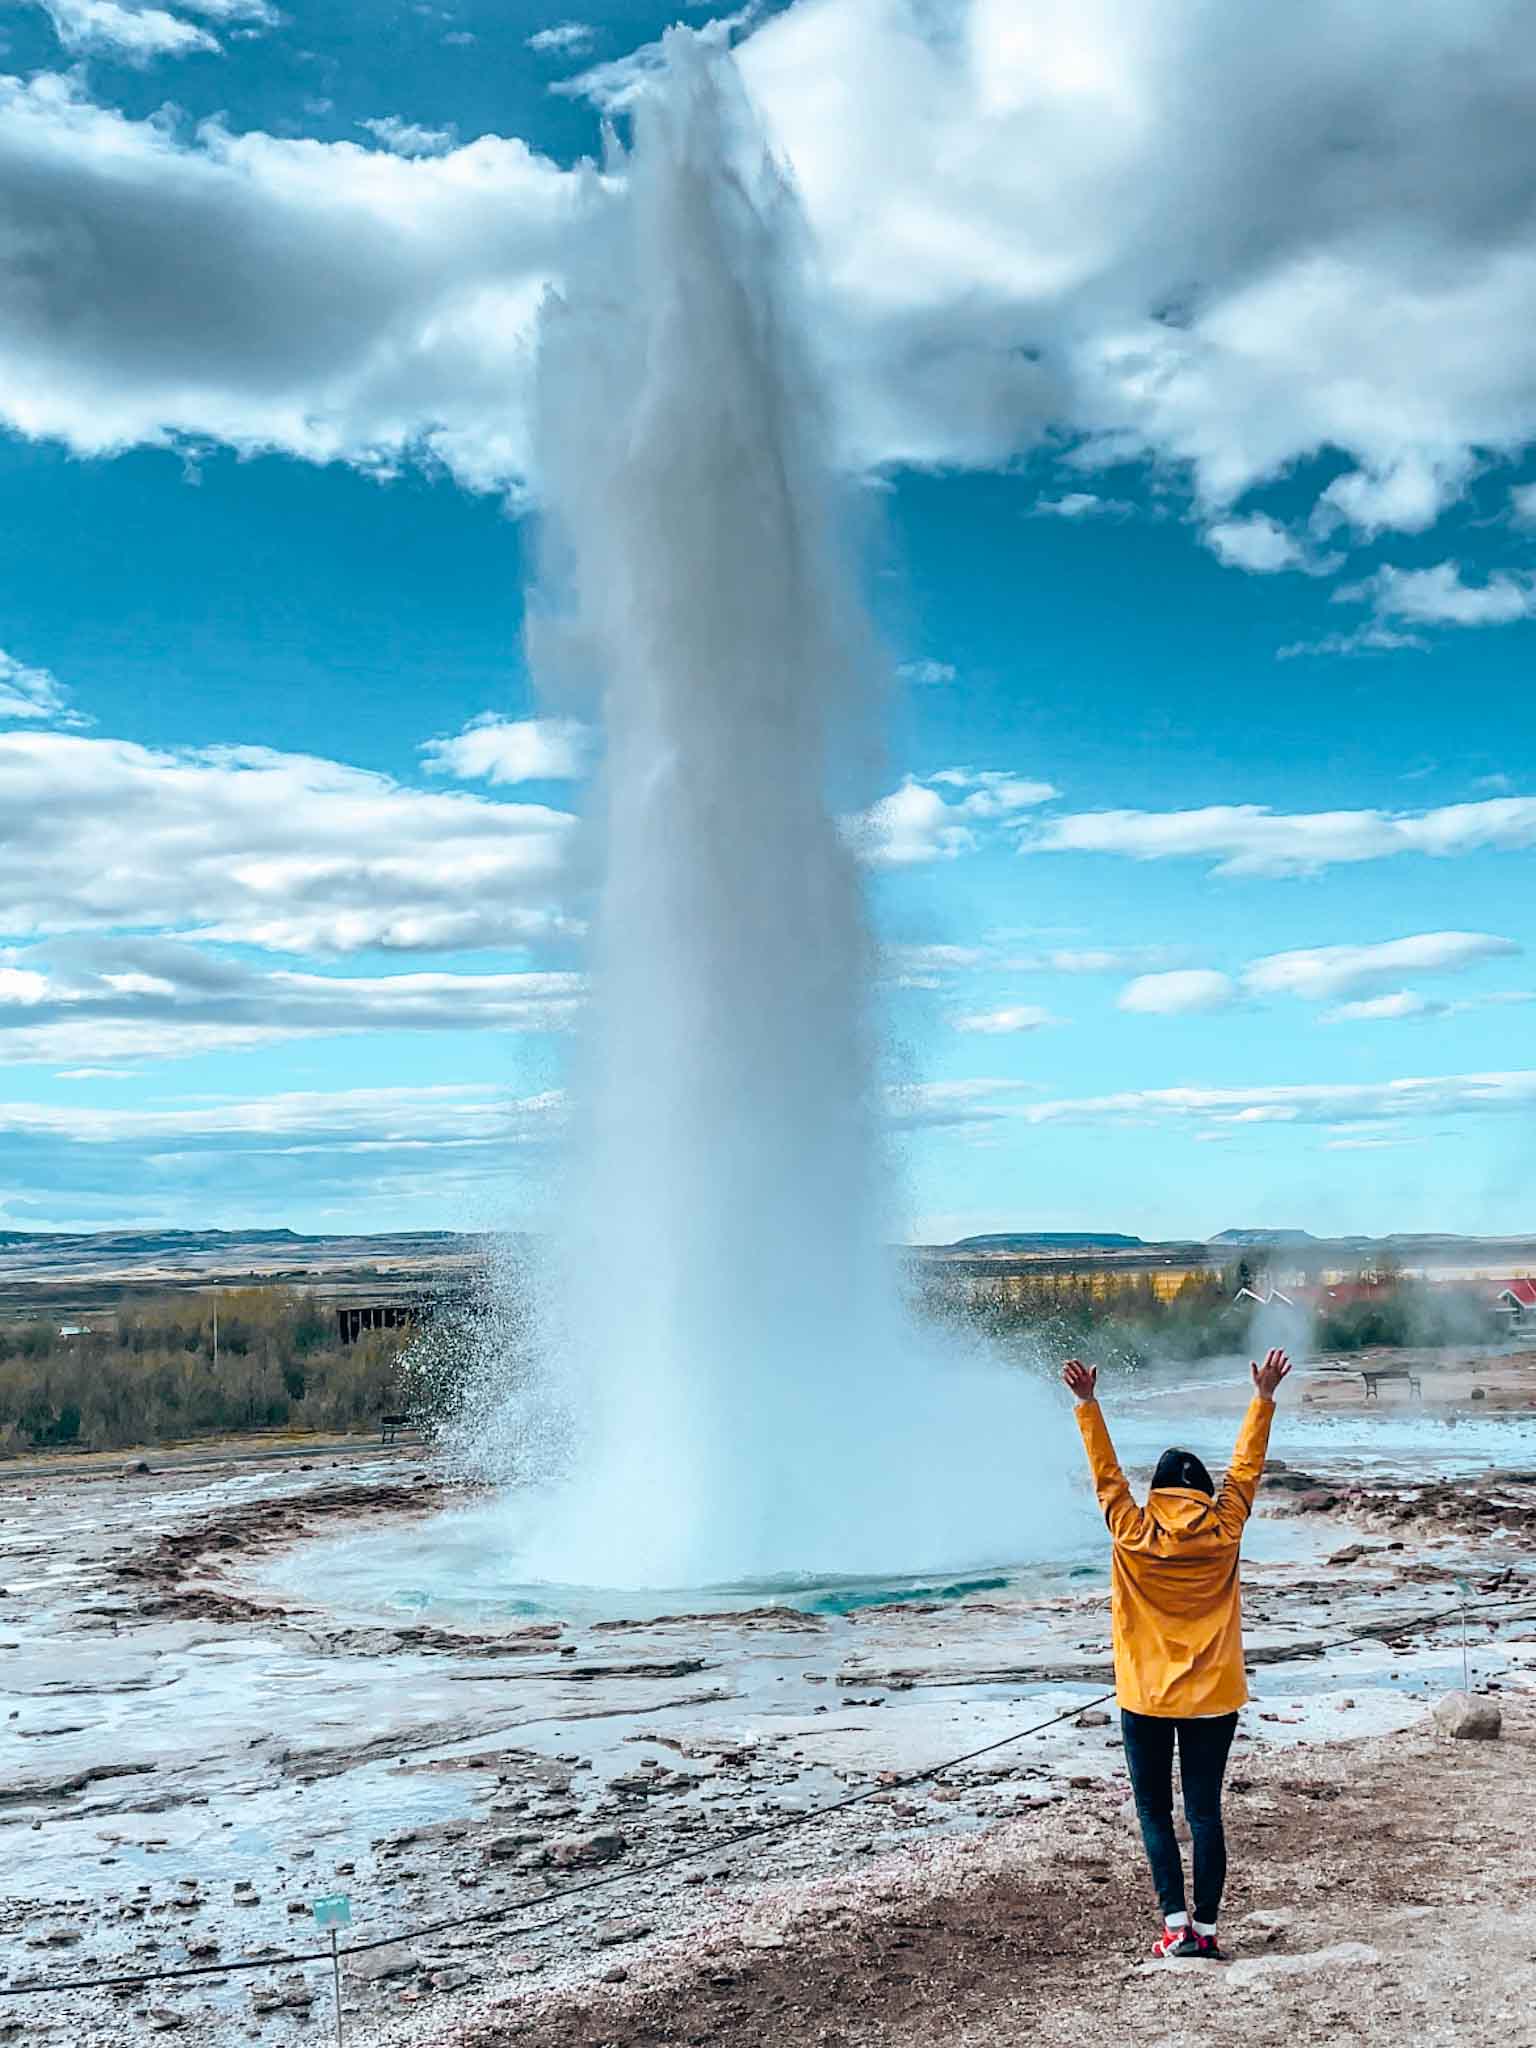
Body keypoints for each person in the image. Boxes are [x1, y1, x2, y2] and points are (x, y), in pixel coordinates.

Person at [1062, 1348, 1292, 1961]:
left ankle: (1175, 1929)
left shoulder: (1131, 1531)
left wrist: (1087, 1405)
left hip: (1146, 1696)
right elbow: (1247, 1470)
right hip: (1214, 1697)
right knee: (1207, 1813)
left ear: (1158, 1492)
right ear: (1204, 1493)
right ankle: (1210, 1932)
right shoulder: (1225, 1528)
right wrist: (1263, 1398)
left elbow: (1106, 1476)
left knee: (1155, 1811)